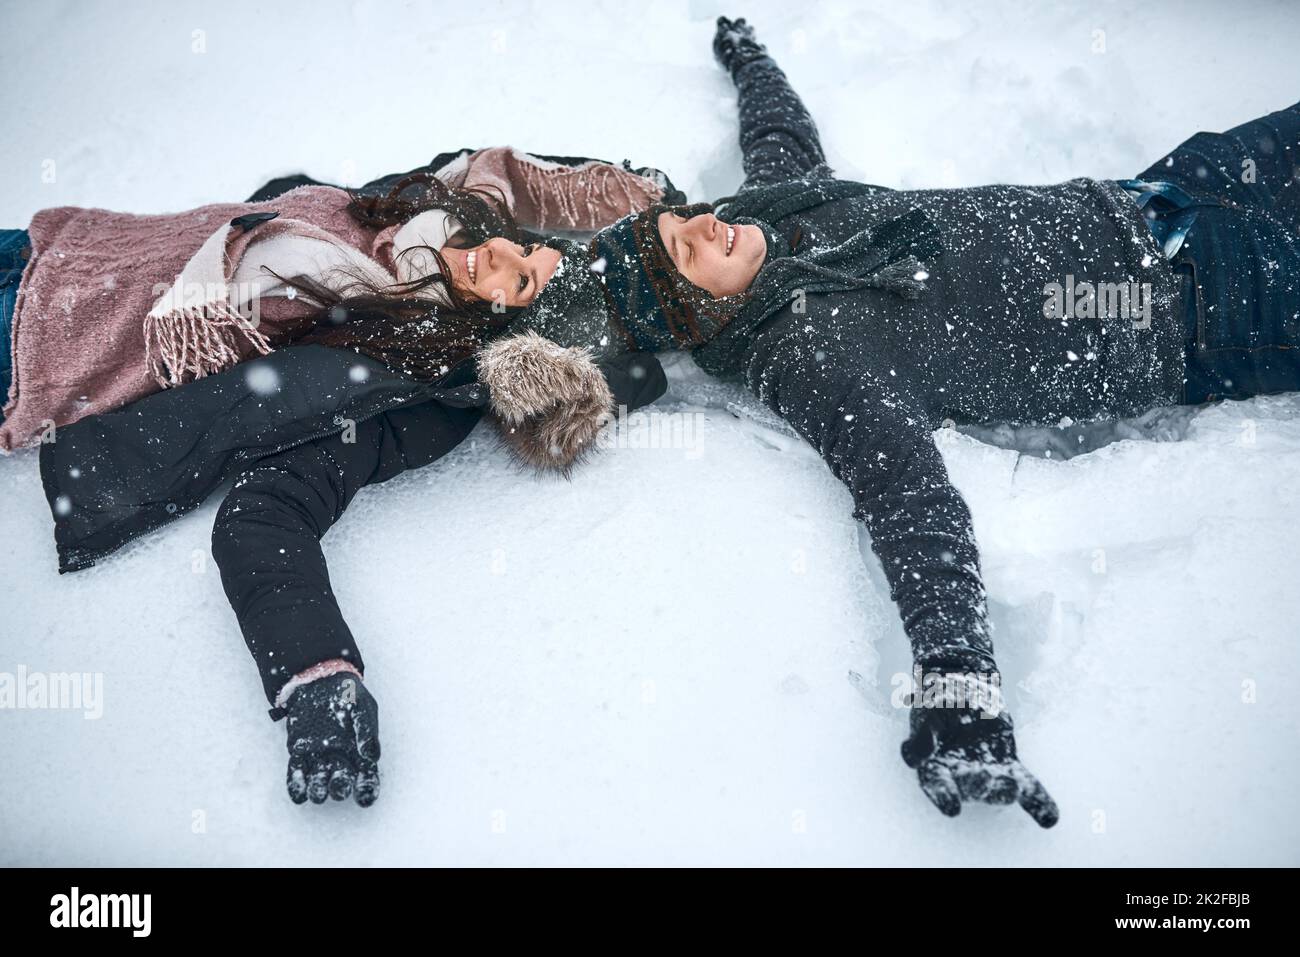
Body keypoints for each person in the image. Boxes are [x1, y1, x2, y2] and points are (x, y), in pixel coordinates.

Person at [504, 16, 1300, 827]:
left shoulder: (768, 212)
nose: (708, 225)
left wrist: (750, 60)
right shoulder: (807, 352)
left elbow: (780, 133)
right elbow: (907, 497)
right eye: (688, 253)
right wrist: (958, 680)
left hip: (1168, 190)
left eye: (685, 220)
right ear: (696, 312)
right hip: (1213, 306)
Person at [30, 147, 682, 806]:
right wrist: (640, 192)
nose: (501, 259)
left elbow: (268, 511)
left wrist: (318, 676)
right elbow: (496, 168)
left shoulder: (397, 370)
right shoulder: (406, 216)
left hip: (37, 355)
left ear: (501, 325)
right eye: (520, 249)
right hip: (60, 246)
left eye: (519, 284)